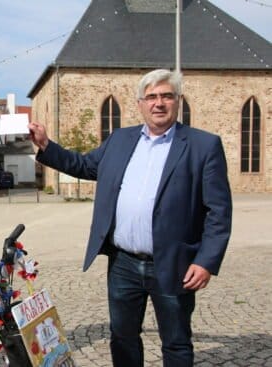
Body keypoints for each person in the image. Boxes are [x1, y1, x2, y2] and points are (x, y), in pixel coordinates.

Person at [28, 69, 232, 367]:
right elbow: (85, 166)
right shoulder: (120, 140)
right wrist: (46, 145)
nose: (158, 103)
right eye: (151, 97)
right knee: (122, 336)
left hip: (174, 262)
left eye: (166, 96)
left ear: (178, 102)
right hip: (123, 262)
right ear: (140, 103)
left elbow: (219, 210)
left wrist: (206, 261)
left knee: (175, 341)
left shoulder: (203, 146)